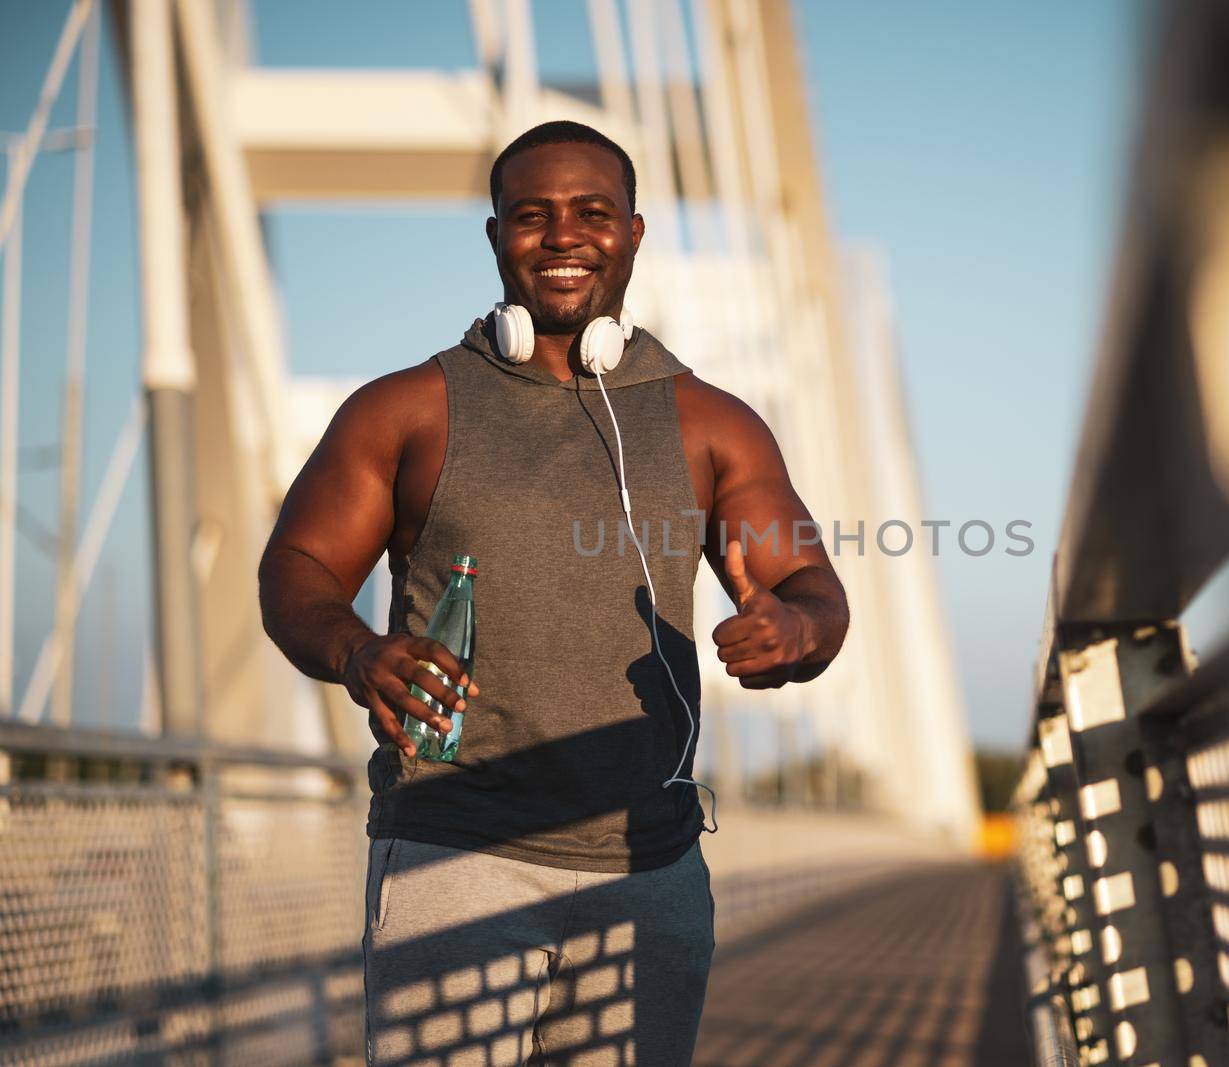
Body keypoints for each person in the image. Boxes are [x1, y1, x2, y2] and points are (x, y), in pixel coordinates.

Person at [257, 120, 849, 1066]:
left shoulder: (712, 424)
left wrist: (796, 627)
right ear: (496, 238)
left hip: (651, 871)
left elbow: (811, 587)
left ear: (634, 233)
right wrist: (356, 650)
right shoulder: (406, 408)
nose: (564, 236)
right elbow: (298, 566)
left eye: (591, 214)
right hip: (456, 854)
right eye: (532, 216)